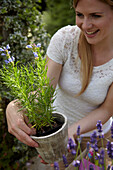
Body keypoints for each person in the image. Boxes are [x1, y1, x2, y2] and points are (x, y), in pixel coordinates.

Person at [6, 0, 113, 168]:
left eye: (96, 16)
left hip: (98, 138)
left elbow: (106, 109)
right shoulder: (65, 40)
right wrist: (15, 106)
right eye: (80, 15)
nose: (85, 25)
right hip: (59, 137)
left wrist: (72, 131)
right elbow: (44, 92)